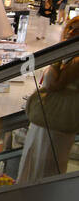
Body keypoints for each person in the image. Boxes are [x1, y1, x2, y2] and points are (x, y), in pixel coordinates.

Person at [18, 15, 79, 183]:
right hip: (50, 118)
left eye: (77, 30)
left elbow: (52, 83)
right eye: (71, 28)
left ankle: (35, 199)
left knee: (44, 165)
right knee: (34, 160)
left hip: (57, 120)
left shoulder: (74, 59)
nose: (72, 32)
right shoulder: (70, 55)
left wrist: (58, 55)